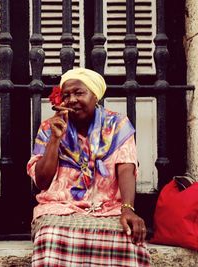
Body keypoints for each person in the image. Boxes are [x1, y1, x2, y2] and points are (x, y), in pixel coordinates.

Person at [27, 68, 150, 266]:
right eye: (66, 95)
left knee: (130, 240)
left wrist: (128, 209)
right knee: (50, 236)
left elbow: (126, 167)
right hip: (61, 206)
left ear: (95, 96)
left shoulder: (117, 124)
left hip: (107, 206)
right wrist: (55, 140)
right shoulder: (50, 127)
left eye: (79, 93)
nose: (72, 99)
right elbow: (41, 181)